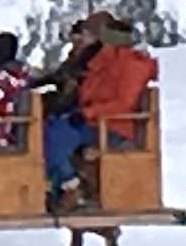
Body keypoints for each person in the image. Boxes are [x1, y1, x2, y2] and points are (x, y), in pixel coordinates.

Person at [42, 12, 157, 209]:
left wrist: (87, 113)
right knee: (50, 127)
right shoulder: (108, 60)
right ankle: (58, 186)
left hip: (113, 127)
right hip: (96, 121)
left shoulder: (131, 65)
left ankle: (71, 186)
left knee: (55, 135)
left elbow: (123, 103)